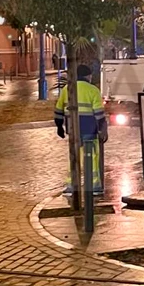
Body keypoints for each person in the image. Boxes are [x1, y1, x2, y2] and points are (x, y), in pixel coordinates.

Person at [54, 65, 108, 194]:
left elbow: (58, 110)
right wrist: (103, 129)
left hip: (73, 129)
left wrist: (59, 127)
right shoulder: (93, 90)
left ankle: (71, 186)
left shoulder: (67, 89)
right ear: (88, 76)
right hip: (90, 129)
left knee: (74, 156)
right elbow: (99, 114)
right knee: (92, 157)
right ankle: (94, 186)